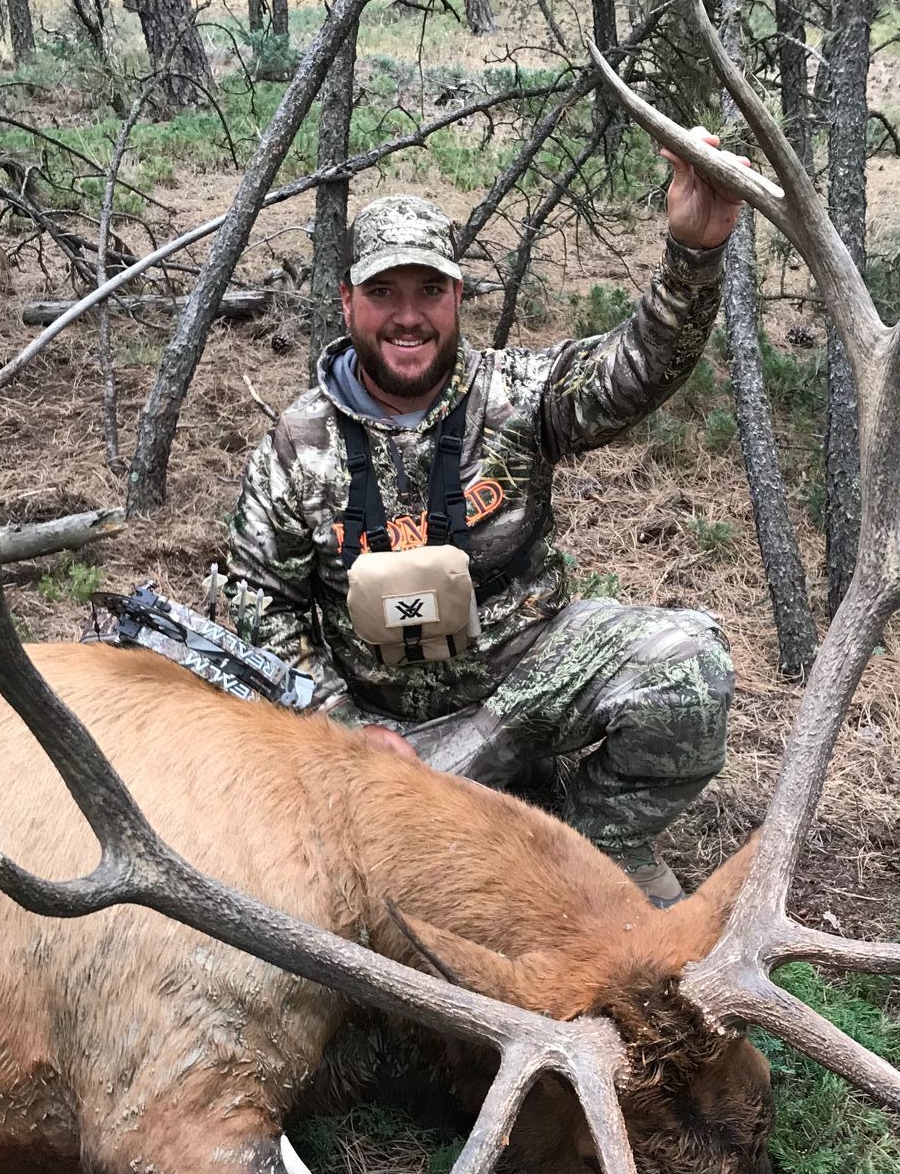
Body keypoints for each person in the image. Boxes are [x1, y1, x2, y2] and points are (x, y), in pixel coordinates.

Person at [224, 147, 744, 905]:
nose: (408, 315)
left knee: (688, 667)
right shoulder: (295, 444)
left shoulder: (518, 396)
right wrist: (338, 724)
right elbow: (255, 603)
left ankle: (598, 843)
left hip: (529, 691)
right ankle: (450, 827)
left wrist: (695, 253)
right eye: (384, 291)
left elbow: (640, 367)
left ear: (458, 297)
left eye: (430, 290)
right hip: (388, 741)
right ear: (346, 303)